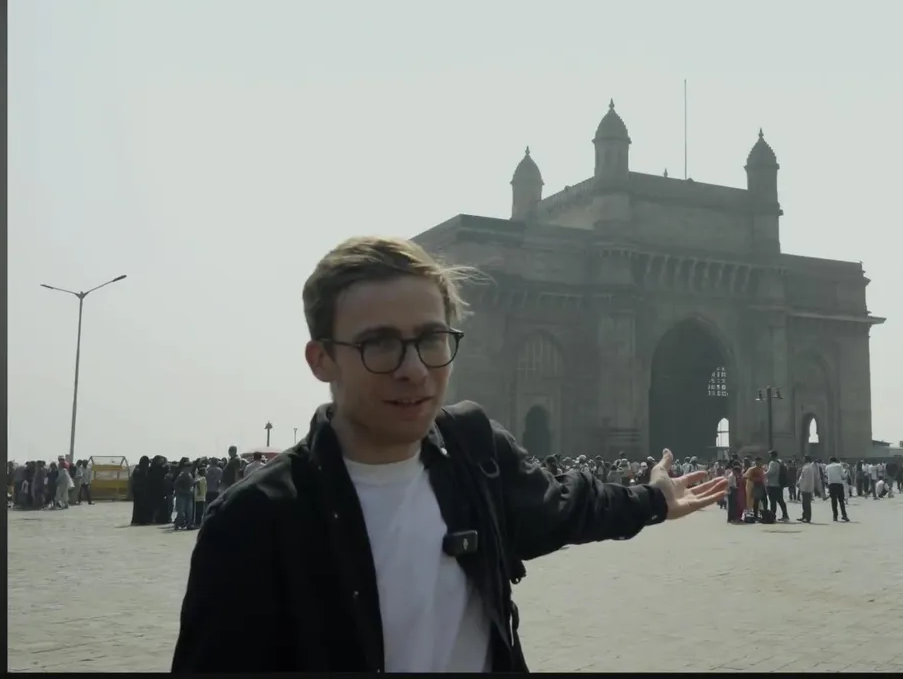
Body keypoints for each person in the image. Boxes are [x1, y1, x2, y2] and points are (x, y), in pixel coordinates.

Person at [172, 236, 727, 672]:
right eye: (380, 344)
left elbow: (569, 506)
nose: (414, 369)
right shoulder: (255, 522)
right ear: (322, 360)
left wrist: (655, 499)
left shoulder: (474, 454)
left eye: (431, 339)